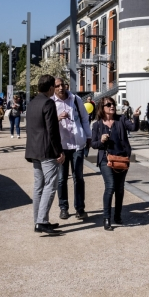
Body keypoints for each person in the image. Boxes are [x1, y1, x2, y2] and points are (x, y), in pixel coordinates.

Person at [91, 97, 141, 231]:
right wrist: (101, 140)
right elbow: (93, 144)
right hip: (105, 160)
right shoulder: (97, 125)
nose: (112, 106)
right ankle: (106, 218)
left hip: (121, 159)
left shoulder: (121, 119)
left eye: (113, 104)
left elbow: (134, 127)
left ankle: (117, 215)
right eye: (109, 104)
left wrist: (136, 117)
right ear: (102, 107)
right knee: (110, 186)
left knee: (119, 188)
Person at [25, 75, 65, 235]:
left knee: (38, 186)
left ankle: (39, 220)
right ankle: (41, 221)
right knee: (51, 184)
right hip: (47, 150)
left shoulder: (32, 103)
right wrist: (59, 151)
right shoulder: (49, 102)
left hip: (33, 149)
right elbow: (52, 130)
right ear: (50, 88)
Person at [52, 78, 92, 221]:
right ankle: (63, 208)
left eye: (62, 85)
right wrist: (58, 118)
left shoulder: (75, 99)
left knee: (78, 178)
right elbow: (47, 123)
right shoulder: (51, 102)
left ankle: (80, 209)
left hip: (77, 144)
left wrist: (88, 136)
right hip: (61, 146)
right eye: (57, 86)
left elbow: (85, 118)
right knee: (62, 179)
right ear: (54, 88)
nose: (61, 88)